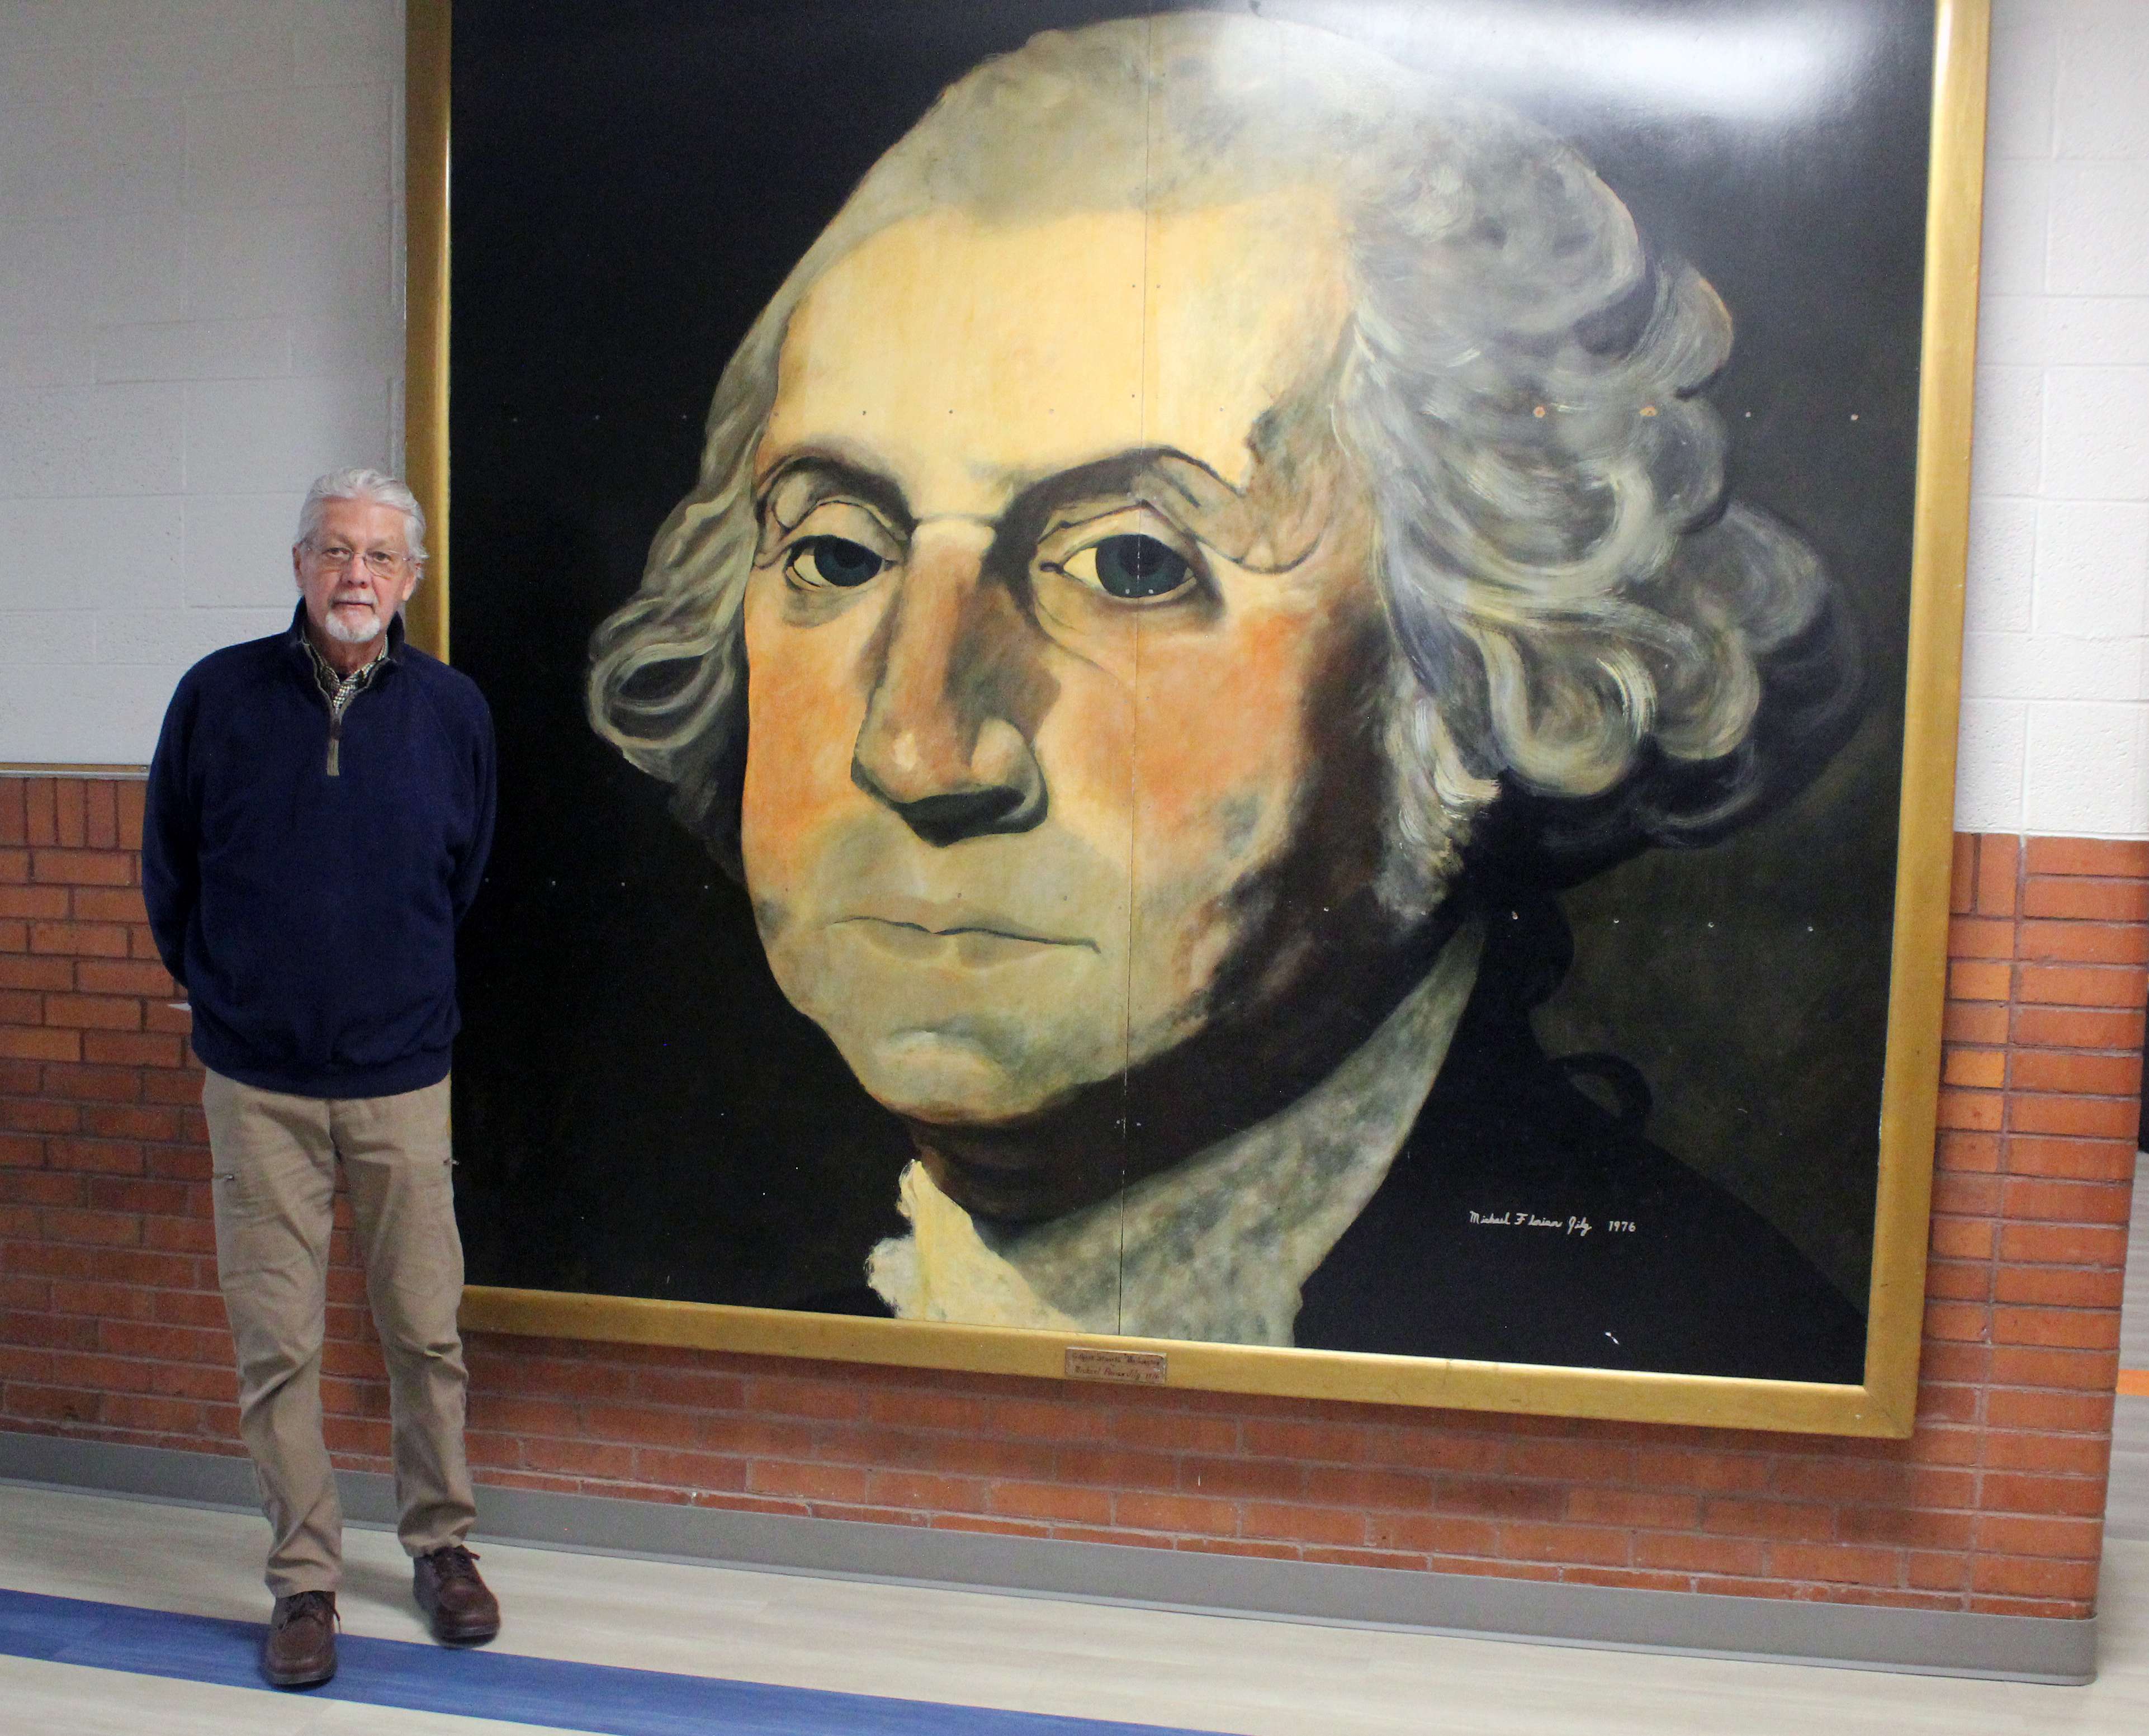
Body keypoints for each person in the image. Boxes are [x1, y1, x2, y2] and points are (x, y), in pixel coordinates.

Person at [587, 15, 1867, 1379]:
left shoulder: (1685, 1349)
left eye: (1132, 562)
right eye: (836, 550)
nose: (918, 745)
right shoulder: (749, 1320)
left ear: (1477, 667)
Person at [143, 467, 500, 1689]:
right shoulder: (216, 698)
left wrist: (390, 996)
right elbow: (171, 873)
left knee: (422, 1329)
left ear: (412, 578)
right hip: (258, 1084)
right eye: (335, 550)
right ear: (299, 563)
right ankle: (304, 1578)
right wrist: (232, 994)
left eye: (380, 556)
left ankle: (441, 1546)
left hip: (403, 1076)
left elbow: (462, 879)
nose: (357, 575)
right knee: (277, 1345)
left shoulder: (452, 711)